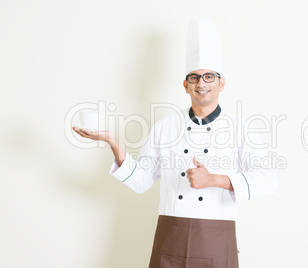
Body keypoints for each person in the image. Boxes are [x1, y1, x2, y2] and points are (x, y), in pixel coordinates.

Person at [73, 18, 278, 268]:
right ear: (185, 85)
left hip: (216, 238)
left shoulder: (241, 127)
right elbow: (141, 181)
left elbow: (268, 180)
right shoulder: (165, 126)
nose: (201, 83)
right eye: (194, 77)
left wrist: (214, 180)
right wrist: (112, 140)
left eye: (209, 77)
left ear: (221, 83)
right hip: (170, 235)